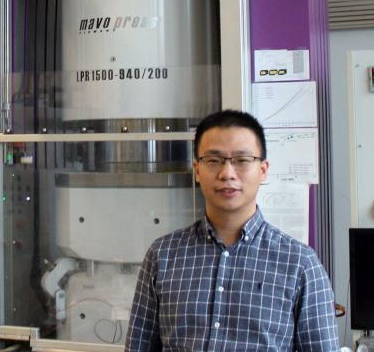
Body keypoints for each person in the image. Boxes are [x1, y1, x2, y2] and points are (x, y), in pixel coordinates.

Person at [125, 109, 339, 352]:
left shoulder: (300, 264)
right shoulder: (162, 255)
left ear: (263, 170)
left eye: (242, 160)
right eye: (214, 160)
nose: (227, 174)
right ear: (197, 169)